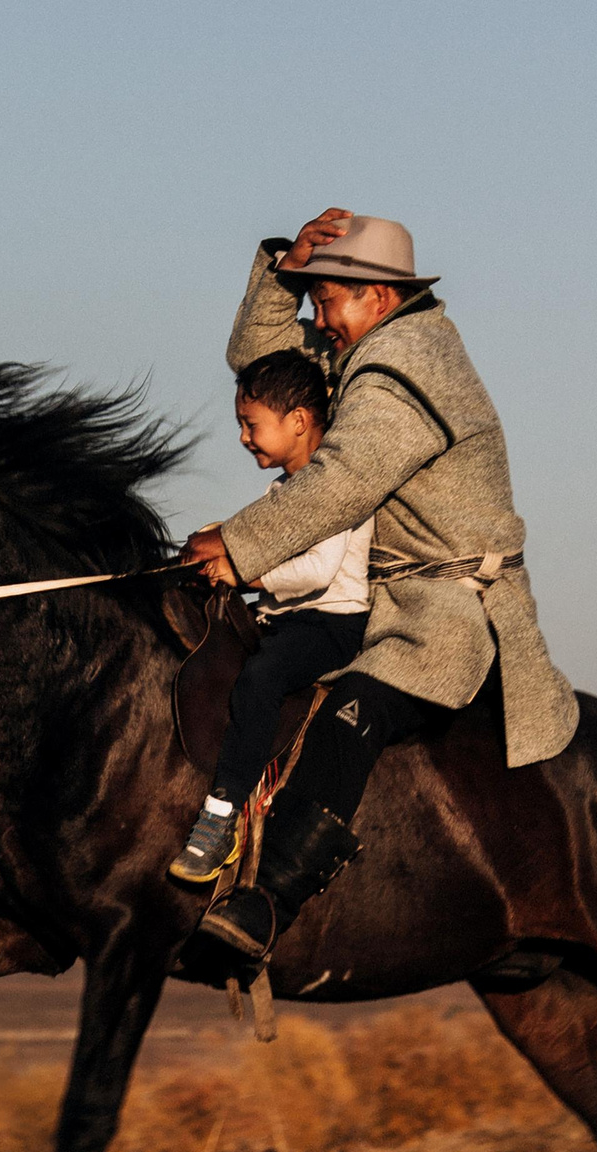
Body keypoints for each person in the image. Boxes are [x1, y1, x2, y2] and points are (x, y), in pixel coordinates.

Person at [178, 209, 579, 978]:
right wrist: (284, 266)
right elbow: (258, 362)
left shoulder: (404, 369)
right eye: (314, 301)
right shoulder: (365, 348)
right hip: (374, 600)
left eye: (325, 300)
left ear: (379, 298)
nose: (316, 318)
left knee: (348, 720)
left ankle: (266, 909)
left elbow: (342, 481)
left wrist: (238, 546)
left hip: (445, 609)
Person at [167, 351, 372, 883]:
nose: (242, 436)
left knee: (263, 677)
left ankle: (223, 815)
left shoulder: (341, 487)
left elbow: (317, 571)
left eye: (250, 424)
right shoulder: (280, 490)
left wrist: (245, 575)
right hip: (280, 617)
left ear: (299, 421)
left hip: (330, 624)